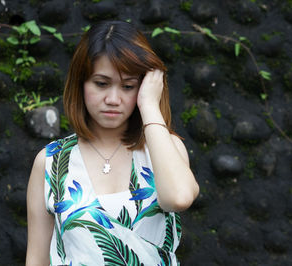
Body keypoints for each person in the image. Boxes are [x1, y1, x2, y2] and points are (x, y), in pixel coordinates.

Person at [26, 20, 199, 266]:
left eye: (128, 86)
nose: (113, 99)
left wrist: (149, 106)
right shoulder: (51, 162)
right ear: (81, 83)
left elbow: (179, 198)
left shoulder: (164, 149)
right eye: (101, 83)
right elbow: (37, 260)